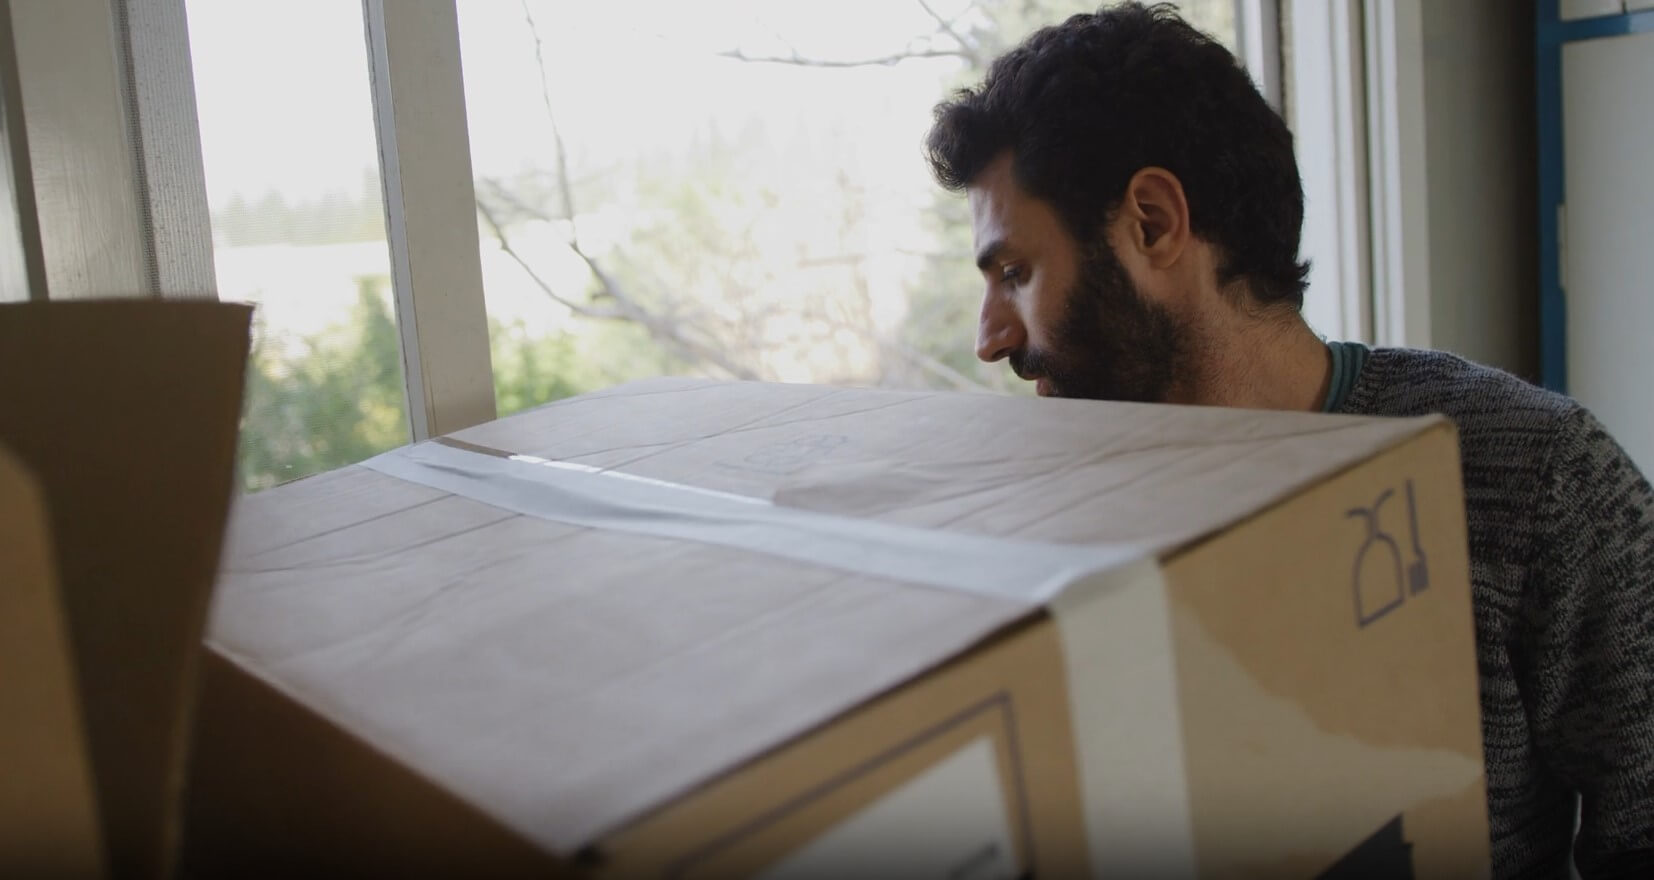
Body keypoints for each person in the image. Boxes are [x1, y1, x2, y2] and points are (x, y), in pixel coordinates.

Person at [924, 3, 1654, 877]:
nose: (989, 337)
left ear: (1153, 222)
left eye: (1016, 272)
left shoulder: (1535, 481)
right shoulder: (1040, 535)